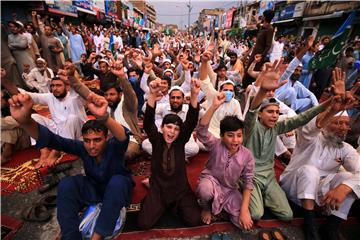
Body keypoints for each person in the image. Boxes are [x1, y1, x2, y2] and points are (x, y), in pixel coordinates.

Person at [9, 92, 133, 240]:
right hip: (94, 189)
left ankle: (97, 236)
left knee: (118, 182)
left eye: (97, 140)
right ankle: (70, 235)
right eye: (87, 140)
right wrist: (26, 122)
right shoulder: (82, 147)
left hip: (116, 193)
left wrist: (104, 116)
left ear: (106, 138)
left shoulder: (114, 146)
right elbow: (53, 140)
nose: (92, 146)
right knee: (67, 184)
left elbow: (122, 136)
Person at [244, 60, 336, 221]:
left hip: (269, 176)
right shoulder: (250, 127)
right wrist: (263, 91)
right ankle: (252, 194)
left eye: (276, 112)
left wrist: (330, 102)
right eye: (270, 112)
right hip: (250, 176)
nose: (274, 115)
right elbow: (251, 111)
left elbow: (301, 118)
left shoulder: (276, 127)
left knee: (287, 215)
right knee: (256, 214)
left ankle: (263, 196)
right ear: (260, 114)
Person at [280, 69, 359, 240]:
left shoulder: (344, 148)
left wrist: (344, 188)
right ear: (327, 123)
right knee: (310, 170)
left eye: (346, 124)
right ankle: (310, 225)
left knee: (348, 178)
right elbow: (310, 129)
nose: (344, 128)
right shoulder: (311, 138)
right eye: (338, 123)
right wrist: (332, 110)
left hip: (321, 194)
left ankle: (332, 225)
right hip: (294, 187)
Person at [137, 78, 202, 229]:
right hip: (159, 189)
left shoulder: (180, 142)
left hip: (180, 190)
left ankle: (170, 205)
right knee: (144, 223)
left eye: (176, 129)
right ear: (162, 128)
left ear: (180, 132)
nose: (172, 132)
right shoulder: (156, 139)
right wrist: (152, 94)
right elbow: (147, 123)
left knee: (194, 220)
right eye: (169, 127)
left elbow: (191, 120)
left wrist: (193, 95)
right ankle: (152, 191)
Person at [196, 91, 255, 230]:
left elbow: (248, 182)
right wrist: (214, 107)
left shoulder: (247, 155)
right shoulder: (216, 144)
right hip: (210, 181)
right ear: (222, 136)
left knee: (243, 223)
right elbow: (201, 131)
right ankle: (206, 207)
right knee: (205, 190)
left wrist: (244, 211)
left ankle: (221, 206)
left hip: (229, 189)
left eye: (239, 136)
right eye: (230, 135)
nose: (235, 140)